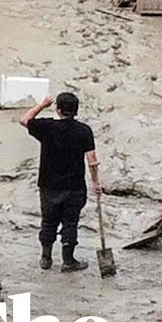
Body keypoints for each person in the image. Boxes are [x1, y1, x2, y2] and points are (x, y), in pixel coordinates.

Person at [19, 92, 101, 272]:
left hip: (49, 185)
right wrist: (95, 182)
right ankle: (68, 261)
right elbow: (92, 160)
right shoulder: (84, 130)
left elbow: (24, 120)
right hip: (74, 187)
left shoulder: (47, 127)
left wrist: (42, 105)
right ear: (76, 110)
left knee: (48, 221)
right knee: (70, 223)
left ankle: (46, 258)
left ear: (58, 109)